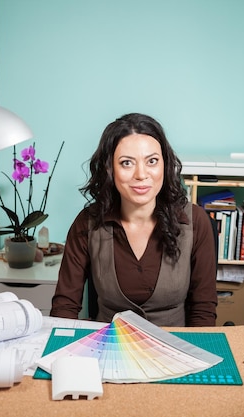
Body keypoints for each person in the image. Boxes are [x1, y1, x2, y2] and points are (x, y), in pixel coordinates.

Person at [50, 113, 217, 327]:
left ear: (165, 165)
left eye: (152, 161)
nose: (141, 174)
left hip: (175, 350)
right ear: (109, 169)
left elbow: (203, 311)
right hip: (108, 349)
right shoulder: (87, 223)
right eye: (127, 163)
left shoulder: (196, 222)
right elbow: (65, 306)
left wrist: (194, 358)